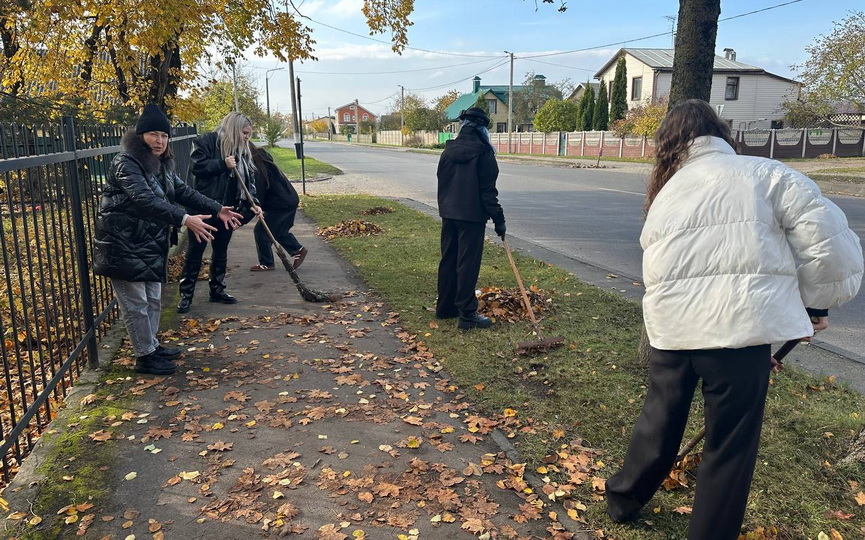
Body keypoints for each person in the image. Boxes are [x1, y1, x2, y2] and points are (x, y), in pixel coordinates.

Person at [605, 99, 863, 540]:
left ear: (669, 143)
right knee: (729, 445)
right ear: (722, 133)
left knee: (658, 420)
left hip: (672, 330)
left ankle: (622, 500)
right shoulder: (768, 174)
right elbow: (829, 245)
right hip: (739, 330)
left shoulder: (668, 192)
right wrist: (816, 305)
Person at [94, 104, 243, 375]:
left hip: (147, 244)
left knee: (153, 300)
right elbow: (144, 199)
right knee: (136, 305)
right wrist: (185, 219)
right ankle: (144, 357)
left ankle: (151, 347)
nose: (160, 141)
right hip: (122, 245)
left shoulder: (161, 166)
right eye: (153, 134)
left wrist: (217, 208)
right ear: (140, 136)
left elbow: (184, 192)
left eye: (164, 136)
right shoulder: (125, 163)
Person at [177, 112, 261, 313]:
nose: (247, 137)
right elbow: (197, 166)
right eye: (244, 133)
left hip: (227, 209)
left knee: (221, 250)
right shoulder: (206, 141)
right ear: (234, 129)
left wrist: (253, 202)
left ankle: (217, 289)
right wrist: (223, 164)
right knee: (195, 252)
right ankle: (186, 295)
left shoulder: (242, 151)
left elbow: (249, 181)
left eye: (249, 134)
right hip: (203, 209)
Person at [435, 107, 506, 330]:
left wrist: (446, 208)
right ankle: (467, 314)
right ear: (482, 129)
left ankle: (445, 308)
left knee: (448, 261)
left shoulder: (448, 151)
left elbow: (442, 182)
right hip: (471, 216)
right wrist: (499, 219)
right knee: (467, 264)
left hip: (449, 214)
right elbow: (488, 192)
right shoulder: (484, 152)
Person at [248, 145, 308, 271]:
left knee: (261, 231)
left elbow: (258, 193)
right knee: (279, 231)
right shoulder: (264, 161)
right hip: (289, 199)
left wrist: (252, 210)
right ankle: (298, 249)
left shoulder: (257, 168)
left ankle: (267, 263)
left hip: (280, 204)